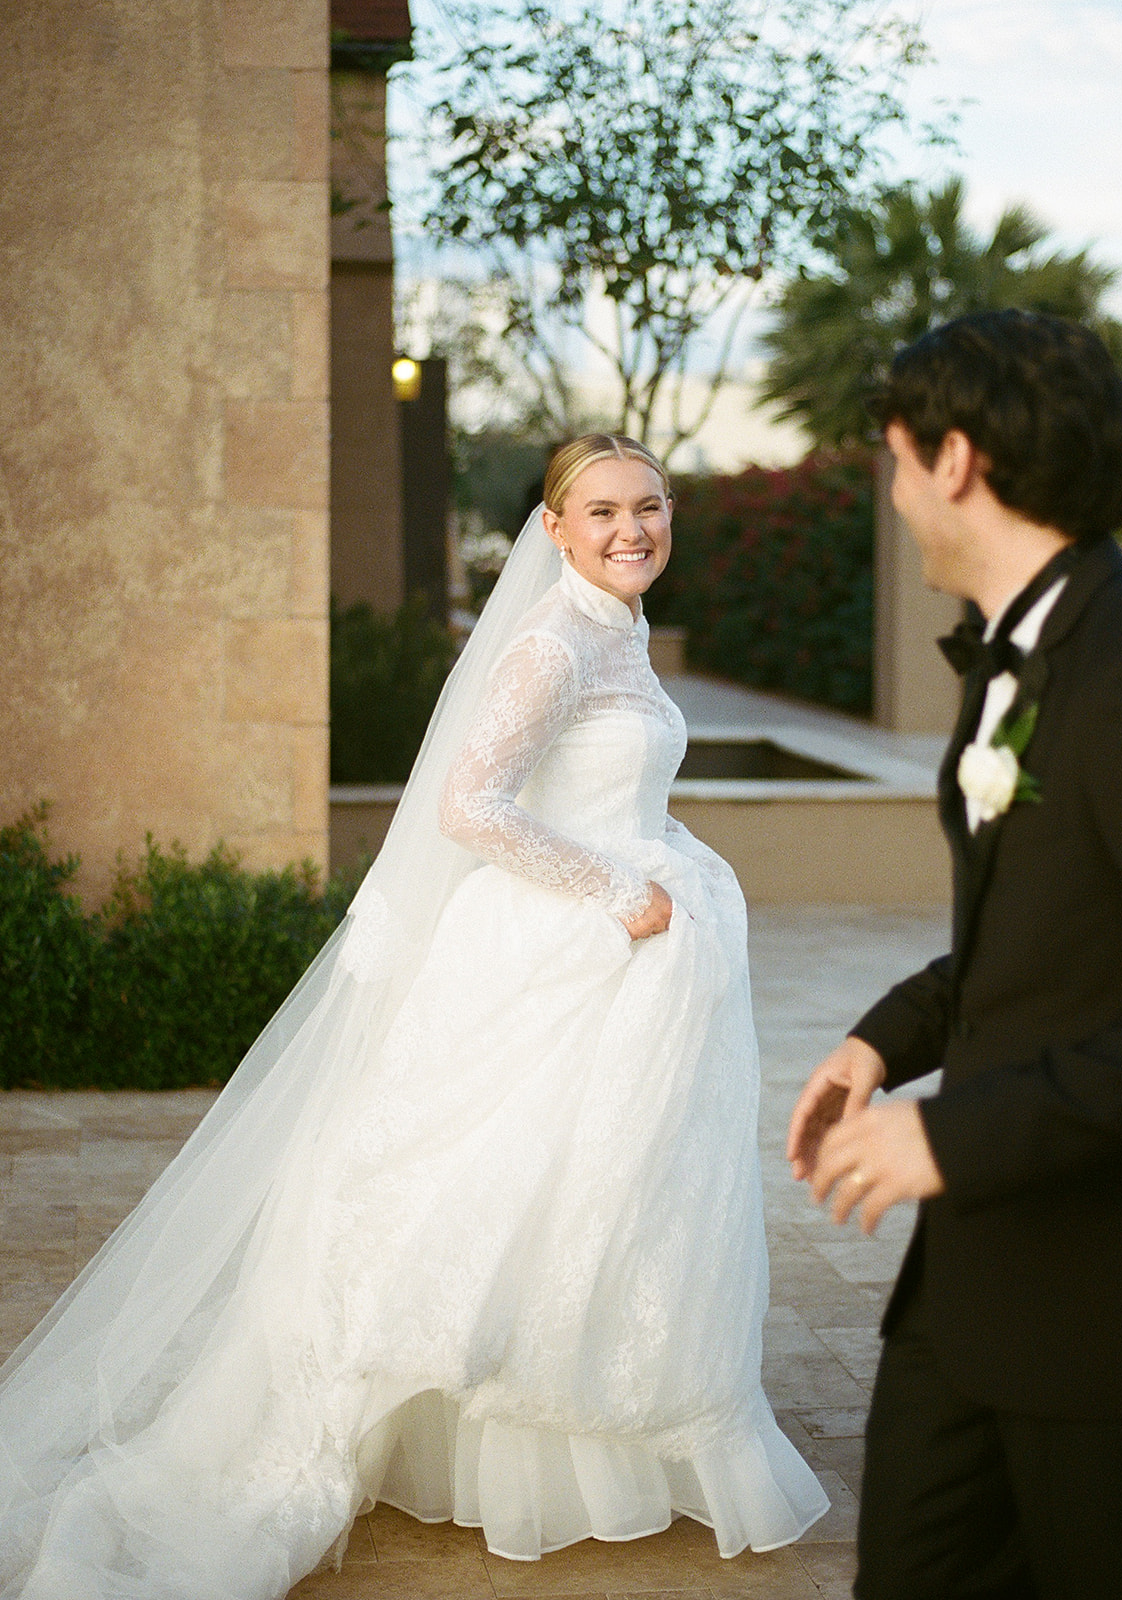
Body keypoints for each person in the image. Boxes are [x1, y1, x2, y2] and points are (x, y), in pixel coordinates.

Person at [0, 433, 827, 1599]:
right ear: (552, 530)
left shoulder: (619, 628)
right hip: (565, 944)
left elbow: (600, 782)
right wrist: (614, 892)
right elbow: (468, 805)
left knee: (605, 1198)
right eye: (600, 512)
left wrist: (658, 868)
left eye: (648, 506)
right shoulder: (551, 644)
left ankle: (570, 1450)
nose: (630, 529)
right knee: (498, 1197)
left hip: (627, 956)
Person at [787, 310, 1122, 1599]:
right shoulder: (1027, 655)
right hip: (969, 1293)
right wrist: (884, 1037)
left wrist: (955, 1134)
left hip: (1106, 1310)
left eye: (892, 459)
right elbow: (1034, 937)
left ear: (953, 460)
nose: (891, 493)